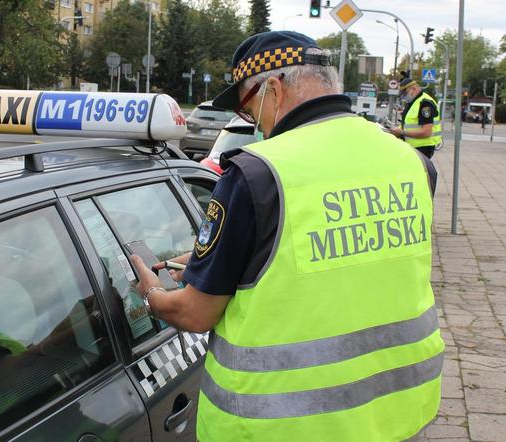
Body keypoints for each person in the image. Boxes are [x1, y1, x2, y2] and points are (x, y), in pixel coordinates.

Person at [131, 30, 443, 441]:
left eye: (247, 109)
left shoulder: (255, 174)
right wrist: (227, 260)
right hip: (396, 412)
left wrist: (151, 294)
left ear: (272, 89)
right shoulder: (411, 162)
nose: (250, 123)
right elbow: (341, 260)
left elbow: (195, 314)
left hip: (283, 426)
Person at [390, 78, 442, 158]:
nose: (404, 97)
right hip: (414, 147)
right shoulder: (412, 101)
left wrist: (402, 132)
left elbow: (426, 132)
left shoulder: (425, 104)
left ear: (413, 89)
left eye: (405, 94)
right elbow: (409, 124)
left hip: (423, 148)